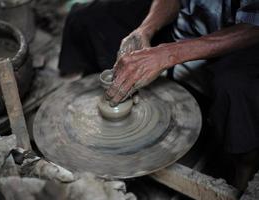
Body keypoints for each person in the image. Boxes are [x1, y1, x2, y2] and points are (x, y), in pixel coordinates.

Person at [58, 0, 259, 191]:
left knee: (235, 86)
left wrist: (168, 54)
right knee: (88, 16)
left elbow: (253, 28)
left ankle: (243, 172)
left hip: (242, 39)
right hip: (188, 24)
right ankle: (69, 109)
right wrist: (145, 29)